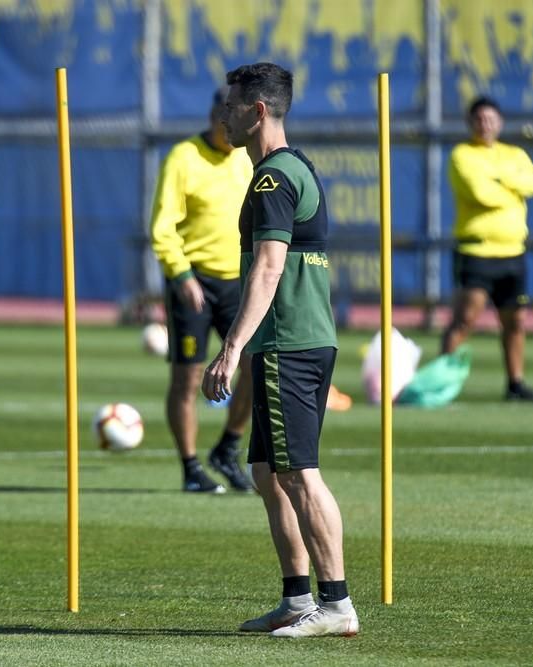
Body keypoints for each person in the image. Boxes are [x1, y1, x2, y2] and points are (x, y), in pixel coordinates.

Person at [203, 62, 358, 637]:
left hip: (290, 343)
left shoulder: (273, 178)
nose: (224, 113)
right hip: (295, 341)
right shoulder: (290, 169)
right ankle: (297, 598)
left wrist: (230, 348)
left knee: (299, 475)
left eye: (232, 105)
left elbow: (268, 268)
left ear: (258, 110)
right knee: (270, 473)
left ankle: (337, 604)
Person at [149, 86, 255, 493]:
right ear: (214, 114)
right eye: (223, 113)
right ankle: (191, 467)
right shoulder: (184, 157)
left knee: (254, 365)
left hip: (238, 283)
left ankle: (227, 447)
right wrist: (181, 276)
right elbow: (162, 227)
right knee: (187, 379)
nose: (228, 123)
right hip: (192, 281)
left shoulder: (247, 159)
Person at [442, 96, 533, 401]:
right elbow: (480, 193)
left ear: (500, 122)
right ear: (470, 123)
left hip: (513, 251)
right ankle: (443, 386)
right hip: (477, 251)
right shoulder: (462, 155)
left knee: (515, 321)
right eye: (479, 119)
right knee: (465, 320)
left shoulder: (514, 154)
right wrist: (513, 189)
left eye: (490, 119)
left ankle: (515, 384)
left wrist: (501, 179)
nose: (485, 125)